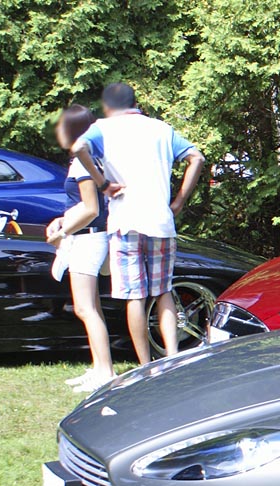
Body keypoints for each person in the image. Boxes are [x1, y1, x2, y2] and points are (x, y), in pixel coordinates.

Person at [70, 82, 206, 363]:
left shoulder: (103, 128)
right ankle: (171, 357)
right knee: (163, 291)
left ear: (109, 106)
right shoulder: (160, 128)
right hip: (161, 221)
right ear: (135, 103)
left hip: (125, 222)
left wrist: (103, 182)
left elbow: (78, 146)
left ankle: (146, 364)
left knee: (136, 296)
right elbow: (197, 157)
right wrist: (179, 202)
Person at [47, 104, 115, 393]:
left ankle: (106, 372)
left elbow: (91, 209)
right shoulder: (95, 157)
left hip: (88, 239)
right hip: (89, 237)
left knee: (85, 308)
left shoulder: (82, 162)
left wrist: (63, 232)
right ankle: (98, 367)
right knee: (91, 307)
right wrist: (63, 219)